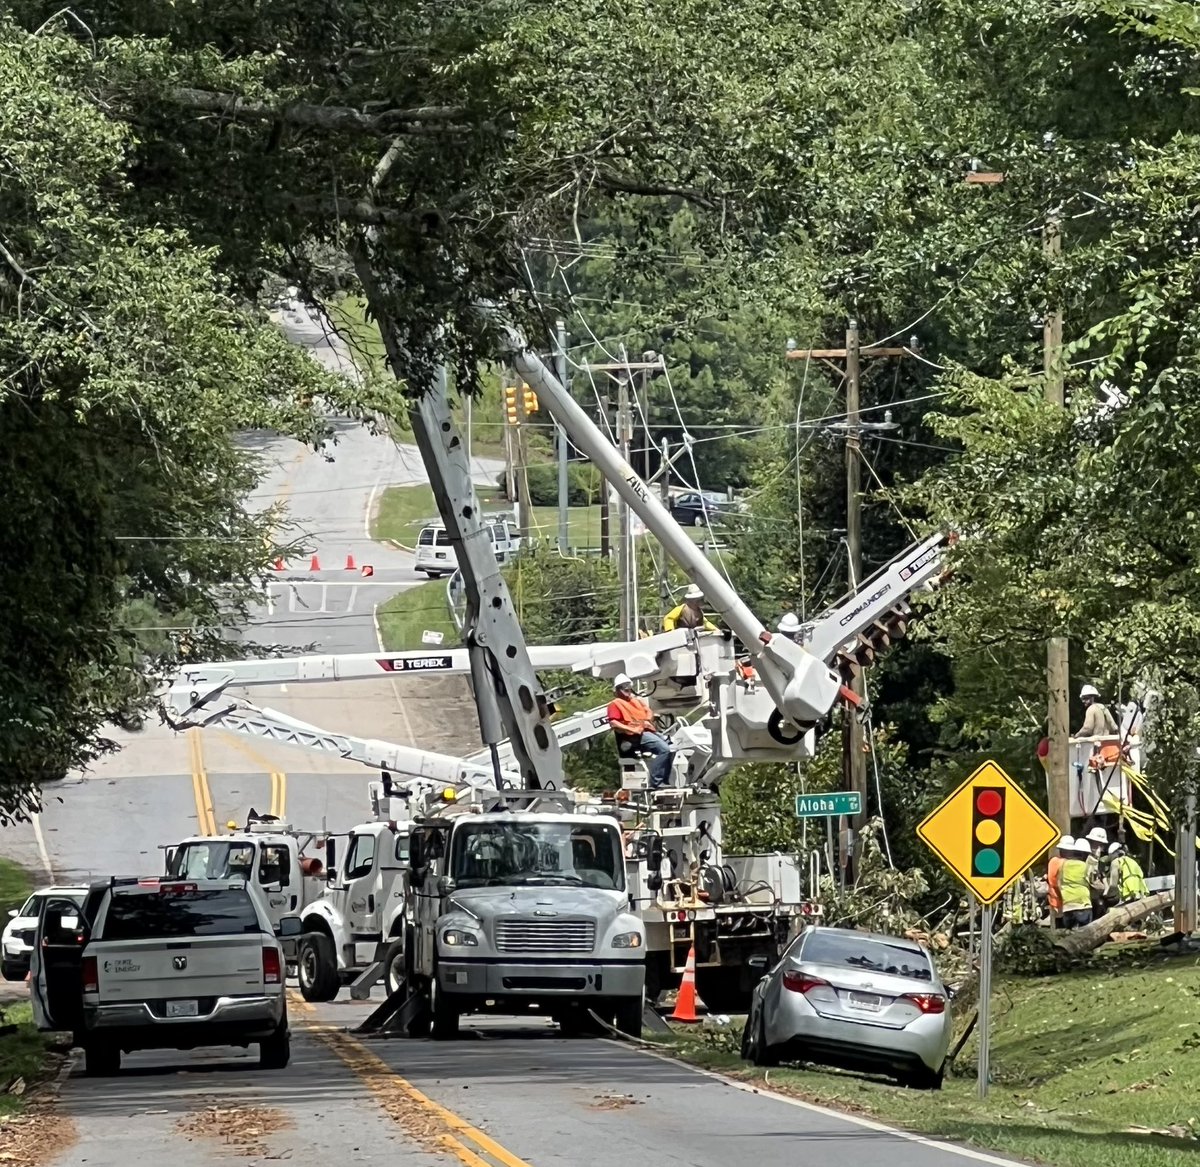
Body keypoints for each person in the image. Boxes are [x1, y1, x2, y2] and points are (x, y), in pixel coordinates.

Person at [606, 674, 673, 789]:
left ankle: (664, 781)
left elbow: (649, 711)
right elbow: (614, 723)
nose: (627, 689)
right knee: (664, 749)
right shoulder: (615, 704)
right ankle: (657, 782)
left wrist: (647, 720)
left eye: (628, 686)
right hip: (633, 737)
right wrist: (632, 729)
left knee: (672, 748)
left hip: (646, 732)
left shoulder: (637, 701)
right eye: (623, 687)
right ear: (617, 690)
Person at [1059, 839, 1093, 929]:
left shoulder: (1063, 865)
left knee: (1069, 934)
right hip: (1083, 904)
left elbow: (1059, 882)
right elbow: (1093, 883)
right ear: (1083, 854)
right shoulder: (1085, 866)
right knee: (1085, 933)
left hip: (1067, 905)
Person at [1047, 836, 1073, 929]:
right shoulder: (1066, 863)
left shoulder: (1052, 861)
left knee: (1056, 926)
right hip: (1064, 899)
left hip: (1053, 898)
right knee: (1065, 929)